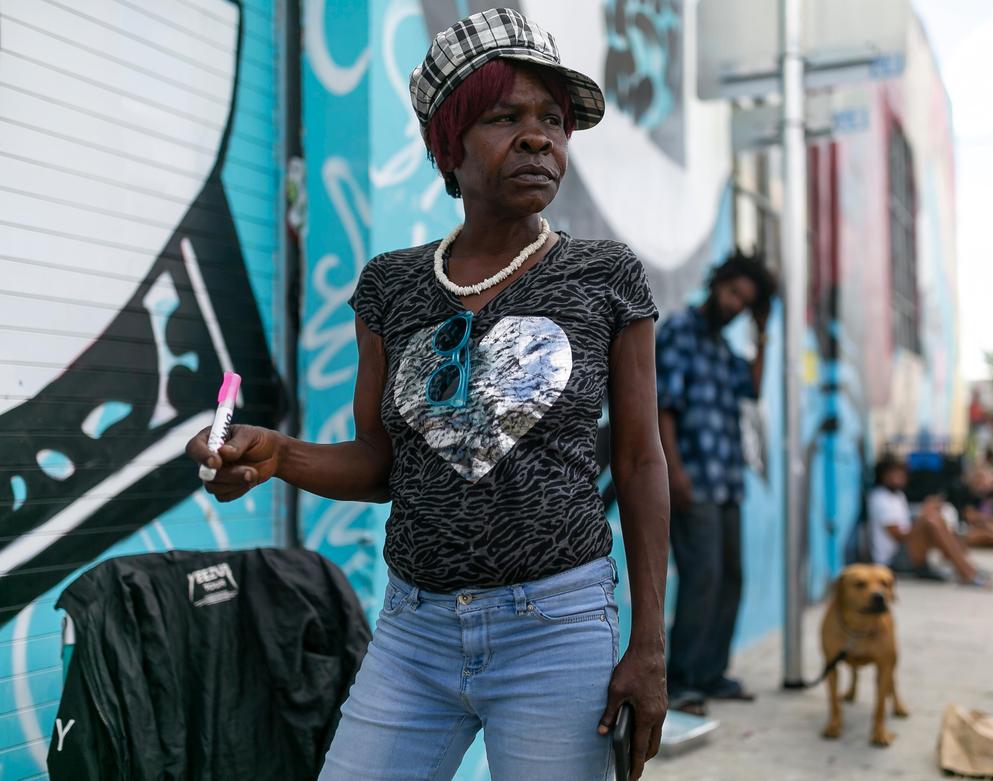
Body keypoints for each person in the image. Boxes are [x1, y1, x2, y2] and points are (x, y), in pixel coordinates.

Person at [187, 9, 669, 780]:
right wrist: (275, 453)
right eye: (504, 117)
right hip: (413, 631)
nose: (539, 137)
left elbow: (642, 461)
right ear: (449, 145)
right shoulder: (392, 284)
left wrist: (649, 644)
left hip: (557, 628)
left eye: (554, 119)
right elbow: (382, 463)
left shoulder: (605, 275)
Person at [655, 251, 775, 716]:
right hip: (695, 479)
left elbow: (754, 387)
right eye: (732, 293)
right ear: (717, 283)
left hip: (727, 481)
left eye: (744, 302)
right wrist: (674, 470)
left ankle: (711, 674)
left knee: (730, 579)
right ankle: (681, 680)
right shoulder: (681, 330)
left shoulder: (725, 349)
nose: (734, 305)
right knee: (702, 577)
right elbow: (663, 405)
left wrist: (762, 331)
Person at [868, 454, 992, 588]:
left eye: (901, 473)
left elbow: (907, 522)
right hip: (892, 560)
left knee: (937, 519)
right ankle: (966, 573)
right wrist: (923, 515)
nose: (900, 477)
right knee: (930, 521)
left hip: (905, 551)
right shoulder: (879, 498)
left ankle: (967, 568)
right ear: (883, 475)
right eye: (894, 473)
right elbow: (898, 535)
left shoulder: (898, 496)